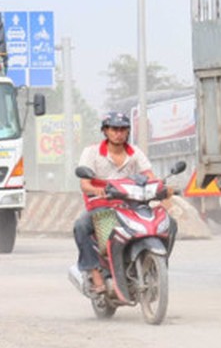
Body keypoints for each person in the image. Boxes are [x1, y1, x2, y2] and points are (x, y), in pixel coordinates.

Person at [73, 111, 173, 293]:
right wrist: (97, 190)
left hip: (132, 206)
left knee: (170, 223)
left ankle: (158, 265)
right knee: (80, 225)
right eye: (114, 129)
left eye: (123, 129)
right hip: (102, 207)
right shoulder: (92, 152)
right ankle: (95, 273)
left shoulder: (135, 153)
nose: (118, 133)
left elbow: (149, 175)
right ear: (105, 131)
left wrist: (160, 188)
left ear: (128, 131)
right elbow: (84, 184)